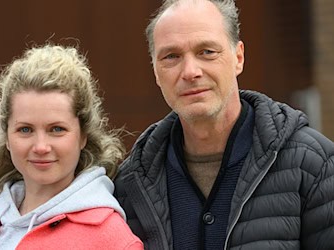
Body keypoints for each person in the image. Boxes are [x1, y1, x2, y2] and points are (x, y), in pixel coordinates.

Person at [114, 0, 334, 249]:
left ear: (238, 57)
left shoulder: (314, 165)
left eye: (207, 52)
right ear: (155, 71)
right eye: (171, 56)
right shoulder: (130, 184)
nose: (190, 71)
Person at [0, 44, 144, 250]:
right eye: (25, 130)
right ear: (6, 136)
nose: (41, 146)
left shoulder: (112, 240)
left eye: (57, 129)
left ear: (83, 136)